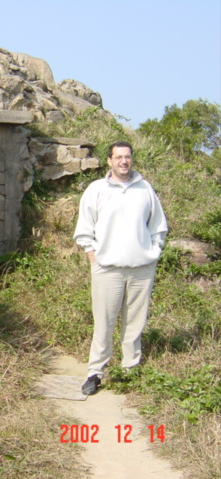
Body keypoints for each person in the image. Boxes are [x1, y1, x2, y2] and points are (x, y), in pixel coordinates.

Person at [73, 140, 168, 395]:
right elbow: (84, 229)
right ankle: (95, 372)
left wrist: (154, 252)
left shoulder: (145, 188)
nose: (123, 161)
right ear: (109, 161)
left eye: (127, 157)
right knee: (103, 323)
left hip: (141, 268)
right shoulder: (96, 189)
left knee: (135, 323)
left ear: (131, 159)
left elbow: (158, 226)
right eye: (118, 157)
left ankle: (130, 370)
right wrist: (93, 256)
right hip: (107, 268)